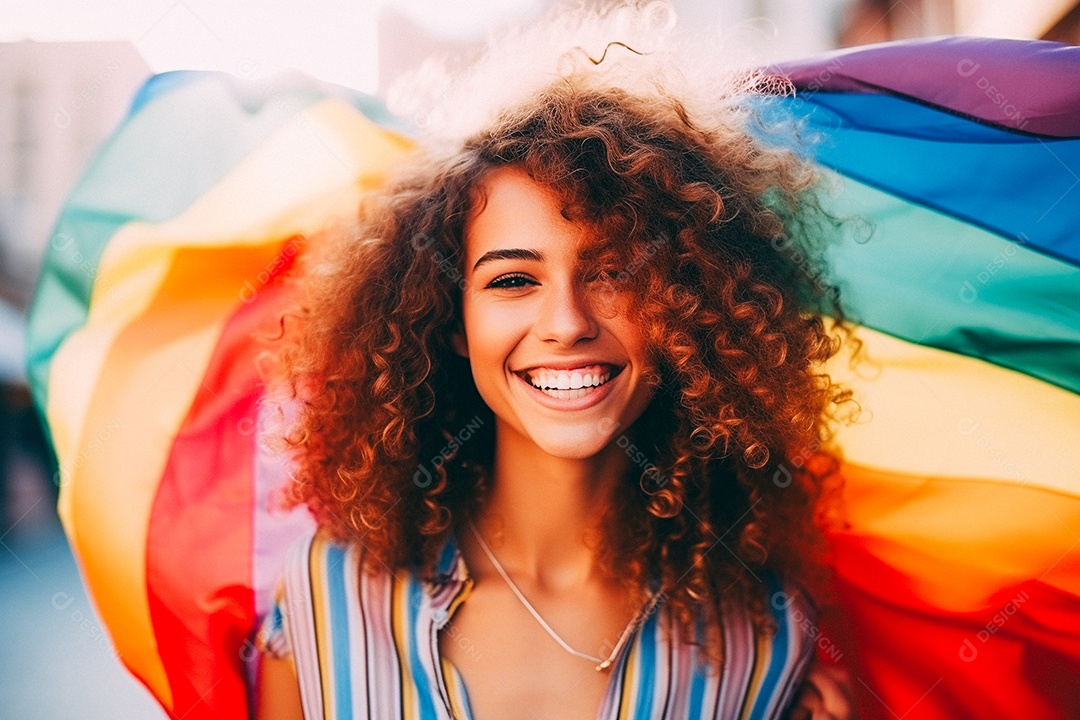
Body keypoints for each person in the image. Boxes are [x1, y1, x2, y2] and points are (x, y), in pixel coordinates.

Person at [253, 11, 856, 719]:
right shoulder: (328, 597)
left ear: (687, 305)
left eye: (614, 274)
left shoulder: (765, 635)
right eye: (513, 280)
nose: (567, 323)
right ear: (450, 319)